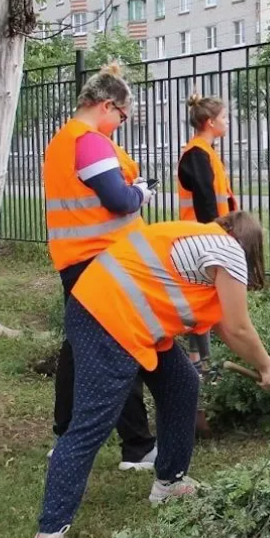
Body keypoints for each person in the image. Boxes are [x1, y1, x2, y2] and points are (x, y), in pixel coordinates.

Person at [26, 211, 270, 538]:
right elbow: (236, 326)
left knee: (182, 383)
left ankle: (169, 482)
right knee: (91, 425)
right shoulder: (229, 251)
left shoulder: (199, 241)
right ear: (251, 249)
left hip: (123, 316)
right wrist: (266, 369)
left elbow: (227, 328)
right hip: (106, 318)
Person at [43, 62, 157, 471]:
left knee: (80, 348)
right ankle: (137, 447)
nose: (120, 125)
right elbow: (117, 199)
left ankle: (68, 436)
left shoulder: (64, 140)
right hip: (101, 260)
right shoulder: (88, 141)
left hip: (80, 259)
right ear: (107, 106)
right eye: (122, 117)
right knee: (116, 348)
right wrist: (140, 193)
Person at [177, 93, 237, 374]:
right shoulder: (197, 154)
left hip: (207, 237)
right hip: (203, 239)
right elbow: (205, 203)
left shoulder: (206, 152)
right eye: (224, 117)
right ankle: (203, 367)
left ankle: (199, 364)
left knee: (203, 301)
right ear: (210, 122)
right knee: (202, 301)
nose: (227, 122)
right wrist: (217, 239)